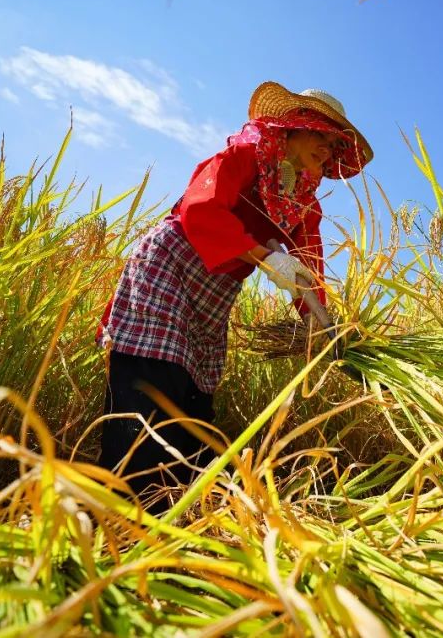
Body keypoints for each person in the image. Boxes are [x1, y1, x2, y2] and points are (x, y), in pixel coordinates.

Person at [95, 81, 373, 511]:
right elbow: (199, 209)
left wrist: (328, 330)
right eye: (321, 134)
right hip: (170, 268)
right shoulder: (245, 157)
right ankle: (120, 518)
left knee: (193, 404)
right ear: (293, 127)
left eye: (336, 144)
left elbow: (307, 275)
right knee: (151, 389)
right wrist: (265, 256)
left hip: (214, 293)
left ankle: (171, 519)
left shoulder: (305, 204)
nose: (328, 149)